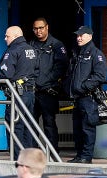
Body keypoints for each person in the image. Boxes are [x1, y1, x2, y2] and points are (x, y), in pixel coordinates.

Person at [64, 26, 107, 164]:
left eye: (82, 35)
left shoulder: (96, 54)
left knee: (87, 128)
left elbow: (100, 76)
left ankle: (86, 157)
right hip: (77, 98)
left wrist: (83, 87)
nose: (79, 38)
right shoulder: (77, 53)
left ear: (90, 36)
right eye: (77, 35)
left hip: (88, 97)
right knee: (77, 128)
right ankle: (79, 155)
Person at [0, 26, 38, 159]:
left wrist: (0, 84)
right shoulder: (32, 50)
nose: (5, 39)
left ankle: (18, 159)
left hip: (17, 95)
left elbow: (5, 73)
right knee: (28, 126)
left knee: (15, 126)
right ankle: (29, 158)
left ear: (15, 36)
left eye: (7, 36)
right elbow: (37, 72)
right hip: (30, 94)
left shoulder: (13, 51)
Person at [29, 18, 68, 153]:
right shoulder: (31, 45)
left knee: (49, 123)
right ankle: (33, 152)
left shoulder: (57, 45)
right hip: (34, 91)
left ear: (47, 27)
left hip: (48, 91)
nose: (38, 31)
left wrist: (45, 81)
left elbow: (61, 67)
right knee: (31, 123)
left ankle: (52, 153)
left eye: (41, 28)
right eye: (35, 28)